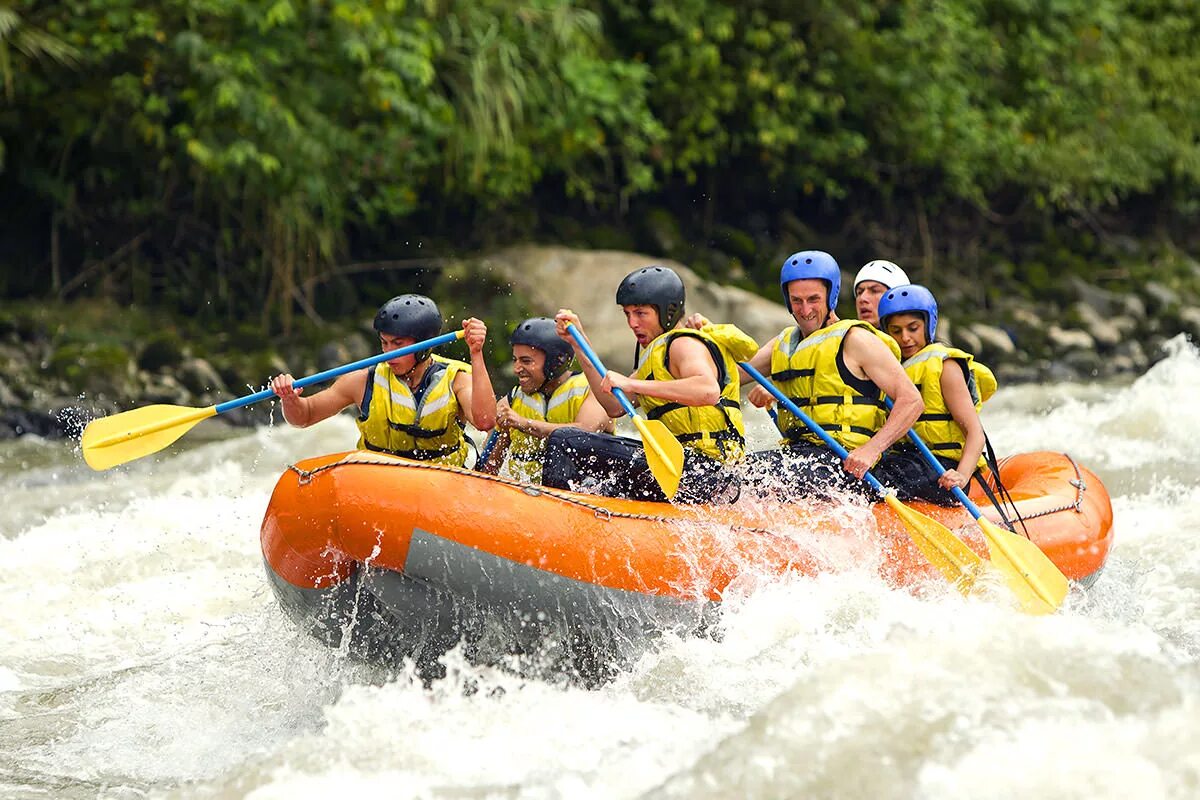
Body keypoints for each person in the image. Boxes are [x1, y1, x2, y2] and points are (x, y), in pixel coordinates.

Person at [543, 265, 758, 503]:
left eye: (641, 313)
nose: (632, 323)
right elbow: (614, 405)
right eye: (627, 314)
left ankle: (558, 515)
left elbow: (706, 391)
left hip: (705, 471)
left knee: (566, 442)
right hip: (681, 467)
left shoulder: (683, 344)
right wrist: (578, 343)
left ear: (668, 312)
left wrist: (633, 385)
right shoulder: (655, 356)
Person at [741, 250, 926, 500]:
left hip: (843, 462)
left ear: (832, 296)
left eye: (813, 299)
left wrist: (871, 450)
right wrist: (704, 341)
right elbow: (733, 372)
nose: (805, 310)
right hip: (798, 455)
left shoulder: (856, 339)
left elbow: (912, 401)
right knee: (738, 472)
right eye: (797, 301)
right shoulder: (785, 343)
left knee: (756, 479)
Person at [269, 294, 496, 466]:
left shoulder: (455, 379)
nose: (388, 353)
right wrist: (289, 399)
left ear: (424, 345)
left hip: (439, 489)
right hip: (379, 488)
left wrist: (476, 353)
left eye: (398, 344)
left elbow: (485, 421)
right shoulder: (362, 380)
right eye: (384, 342)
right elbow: (306, 415)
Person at [877, 284, 997, 504]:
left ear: (928, 325)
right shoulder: (889, 369)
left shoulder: (945, 367)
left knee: (885, 478)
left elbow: (975, 432)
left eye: (913, 328)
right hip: (906, 461)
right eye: (896, 331)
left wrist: (961, 475)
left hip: (941, 468)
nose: (905, 338)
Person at [479, 317, 614, 482]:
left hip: (583, 496)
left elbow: (584, 432)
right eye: (515, 360)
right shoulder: (511, 402)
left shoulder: (595, 391)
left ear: (556, 361)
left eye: (526, 361)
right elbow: (487, 470)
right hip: (527, 498)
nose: (516, 369)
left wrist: (523, 423)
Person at [853, 259, 910, 328]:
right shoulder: (847, 336)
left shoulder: (913, 338)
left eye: (875, 291)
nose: (862, 298)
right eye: (859, 292)